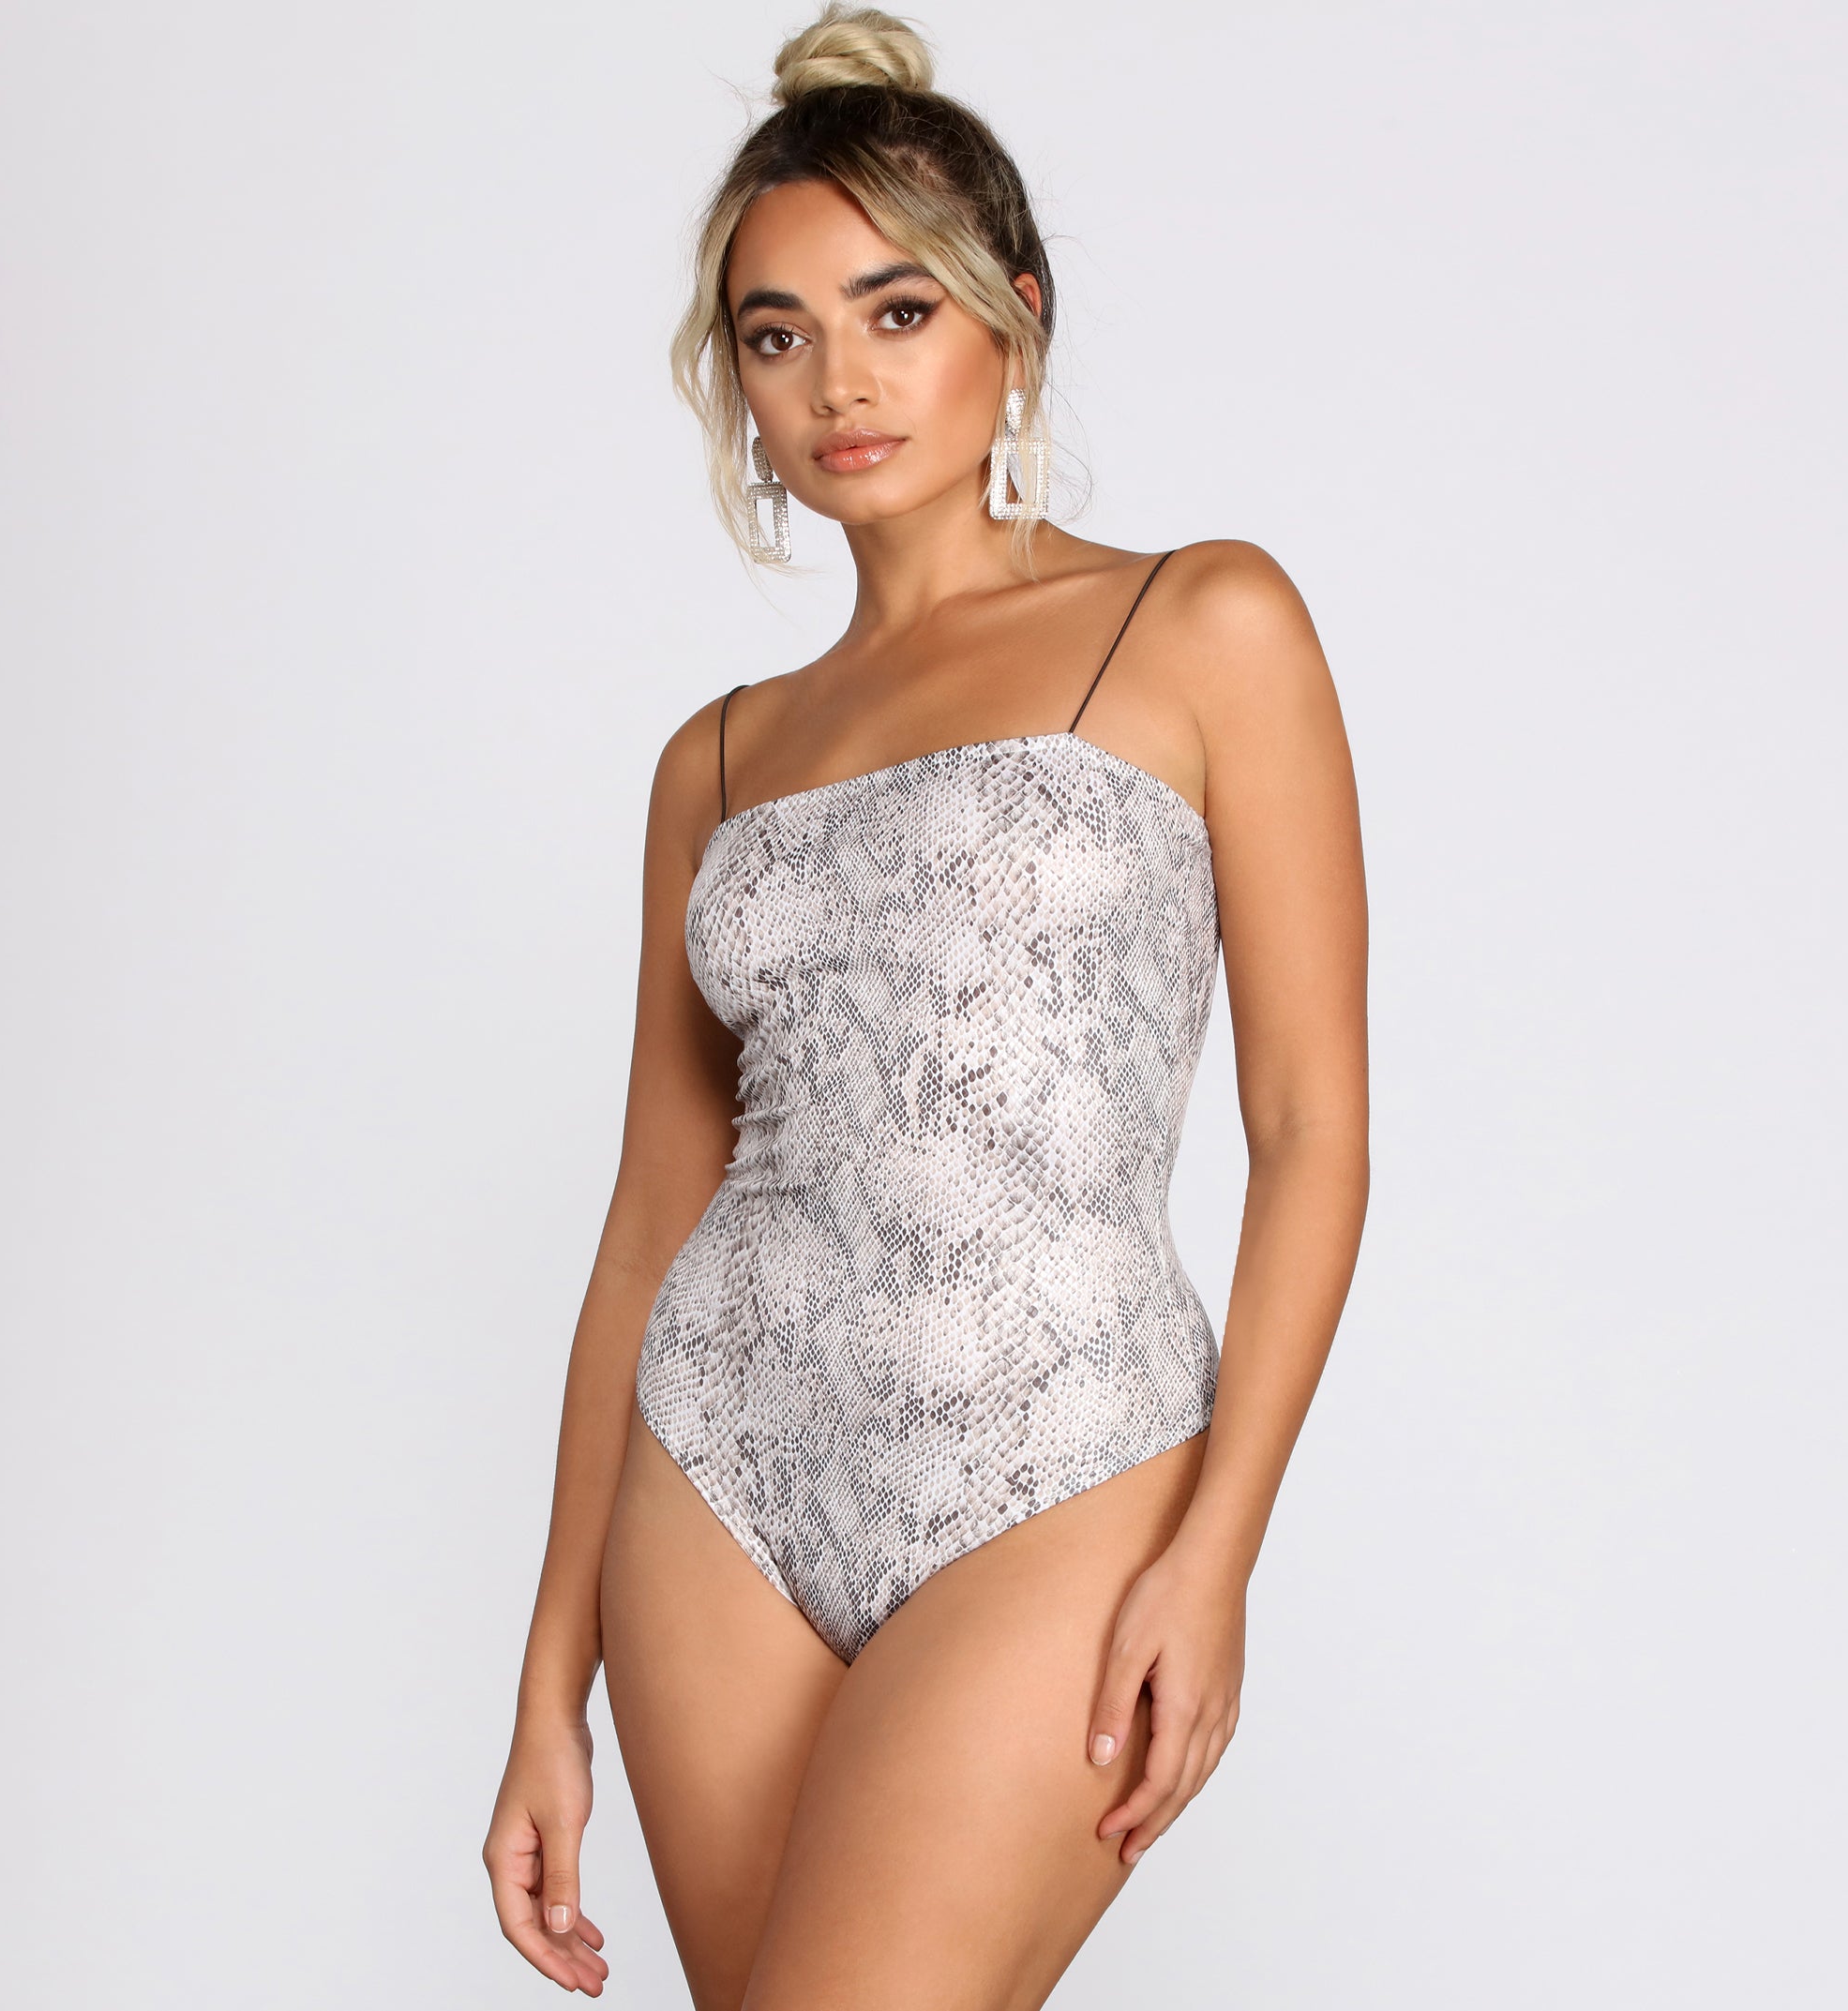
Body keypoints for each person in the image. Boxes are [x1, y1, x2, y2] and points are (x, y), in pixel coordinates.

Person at [485, 8, 1369, 2003]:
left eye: (896, 310)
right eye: (777, 334)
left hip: (1068, 1452)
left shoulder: (1201, 621)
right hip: (716, 1469)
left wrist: (1216, 1550)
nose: (841, 381)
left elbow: (1312, 1129)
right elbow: (645, 1223)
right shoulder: (716, 756)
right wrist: (548, 1683)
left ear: (1012, 317)